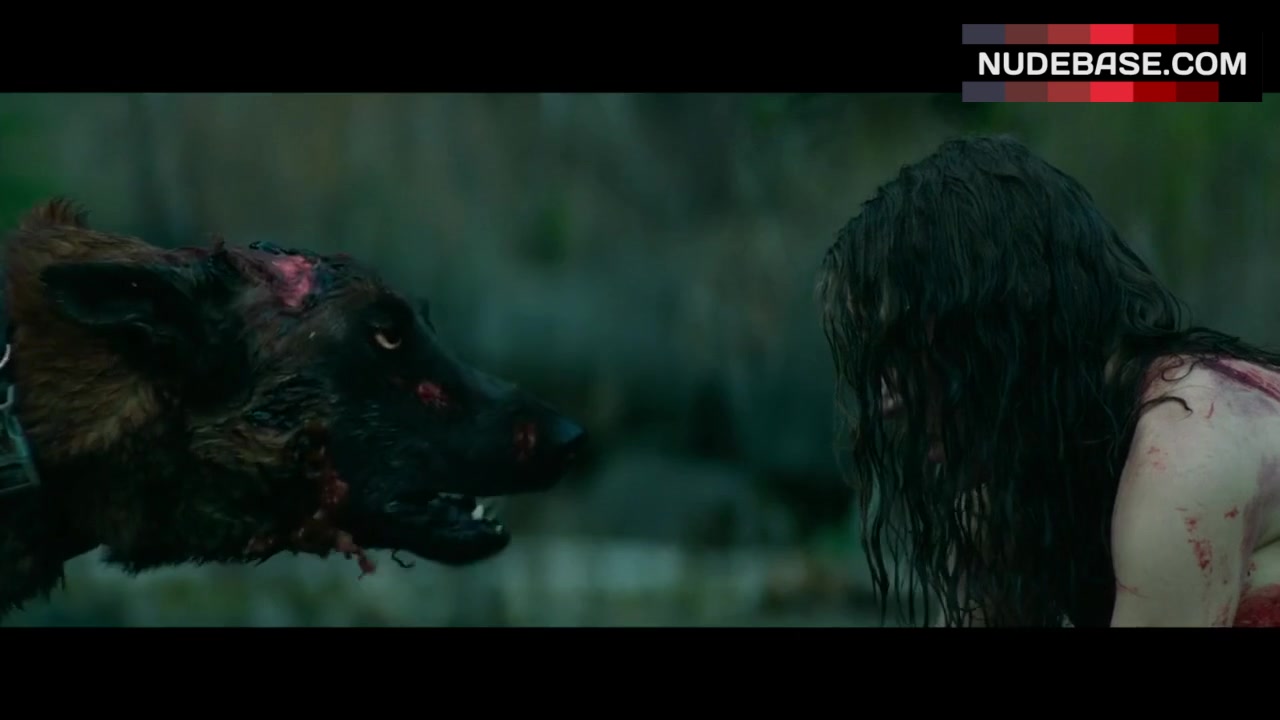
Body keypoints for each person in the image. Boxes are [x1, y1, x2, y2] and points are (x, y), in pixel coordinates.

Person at [816, 134, 1280, 627]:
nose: (887, 400)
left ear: (996, 332)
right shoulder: (1014, 503)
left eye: (905, 352)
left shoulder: (1189, 457)